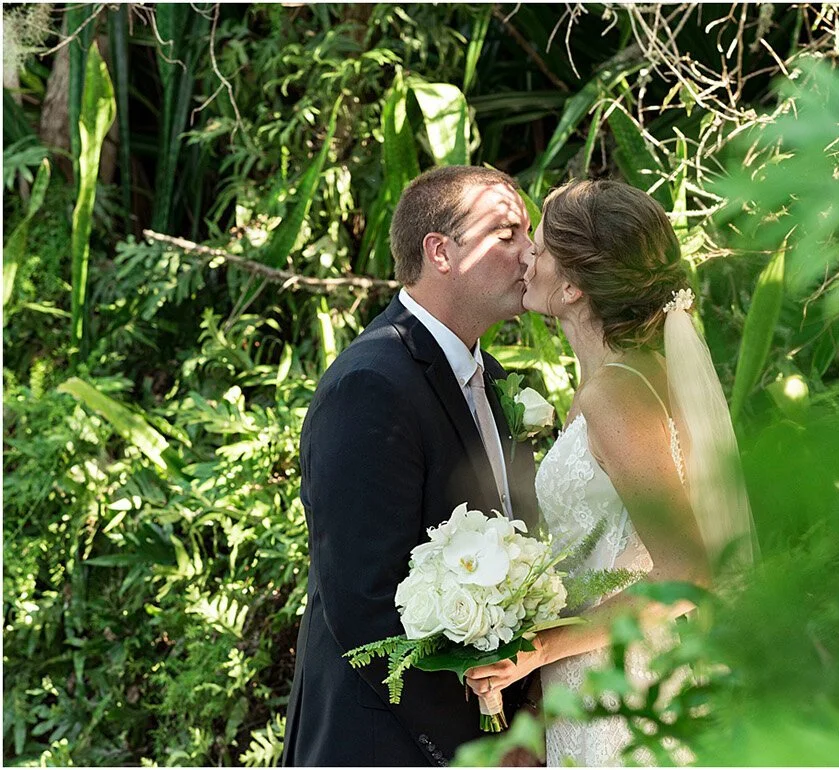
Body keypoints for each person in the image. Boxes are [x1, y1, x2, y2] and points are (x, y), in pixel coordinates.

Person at [459, 179, 753, 766]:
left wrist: (538, 650)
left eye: (538, 248)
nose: (525, 257)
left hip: (628, 687)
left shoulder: (619, 396)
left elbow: (689, 576)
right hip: (591, 679)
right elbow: (596, 558)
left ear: (571, 287)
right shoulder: (614, 384)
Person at [287, 165, 544, 766]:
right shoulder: (371, 384)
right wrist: (478, 747)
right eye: (508, 235)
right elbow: (366, 601)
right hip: (386, 744)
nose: (530, 254)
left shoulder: (495, 381)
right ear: (441, 252)